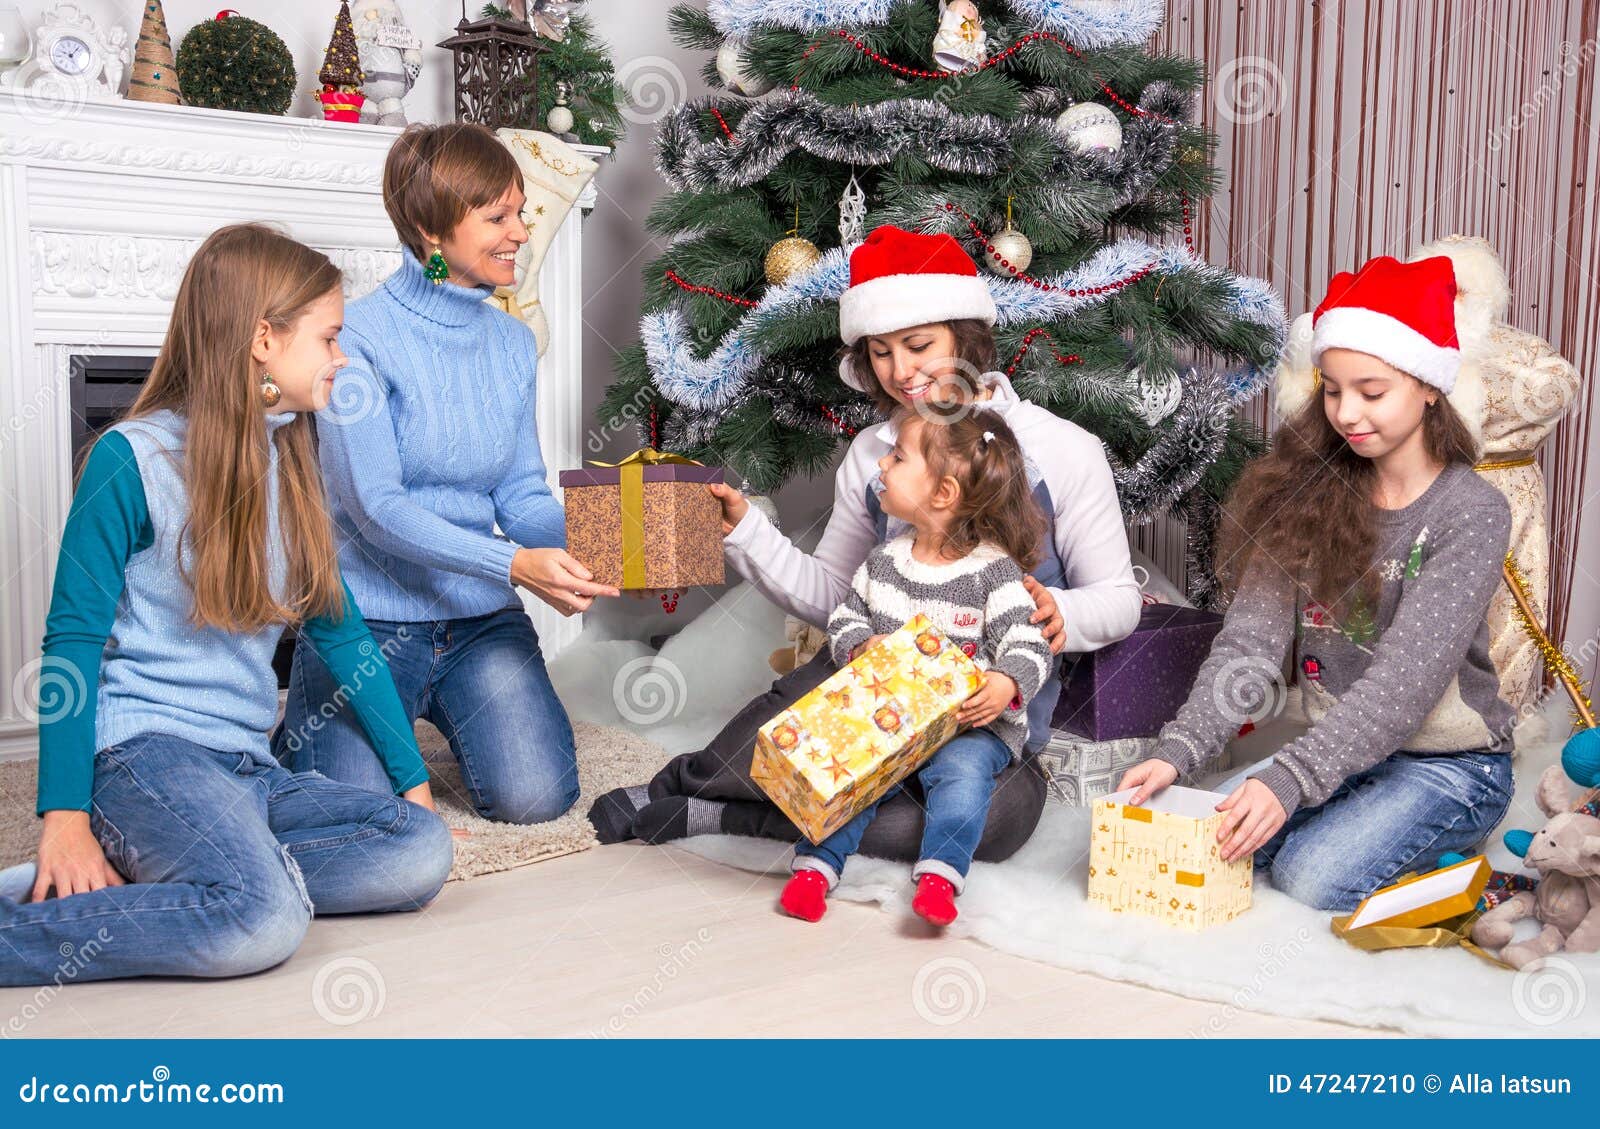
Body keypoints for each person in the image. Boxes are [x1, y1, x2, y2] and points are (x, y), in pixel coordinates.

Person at [590, 224, 1142, 862]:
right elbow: (832, 595)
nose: (901, 372)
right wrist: (742, 530)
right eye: (880, 352)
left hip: (980, 723)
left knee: (993, 822)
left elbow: (1119, 600)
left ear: (966, 337)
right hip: (866, 694)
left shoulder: (1064, 451)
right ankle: (686, 786)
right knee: (783, 722)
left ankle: (726, 816)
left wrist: (1060, 614)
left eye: (918, 345)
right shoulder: (874, 455)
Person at [0, 225, 452, 986]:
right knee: (262, 918)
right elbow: (71, 645)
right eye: (331, 338)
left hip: (247, 766)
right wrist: (64, 816)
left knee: (420, 849)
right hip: (144, 755)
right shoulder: (130, 460)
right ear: (263, 339)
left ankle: (177, 872)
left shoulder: (292, 457)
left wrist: (413, 784)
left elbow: (340, 634)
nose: (343, 359)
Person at [1117, 254, 1516, 911]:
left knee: (1311, 877)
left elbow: (1403, 685)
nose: (1347, 413)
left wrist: (1291, 779)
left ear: (1428, 387)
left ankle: (1464, 876)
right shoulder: (1305, 489)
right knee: (1199, 840)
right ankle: (1358, 816)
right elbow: (1249, 643)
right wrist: (1180, 749)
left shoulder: (1470, 511)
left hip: (1449, 763)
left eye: (1371, 390)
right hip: (1343, 752)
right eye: (1332, 390)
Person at [275, 123, 617, 824]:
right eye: (497, 216)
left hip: (480, 617)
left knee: (536, 796)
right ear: (432, 231)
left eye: (520, 211)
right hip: (369, 619)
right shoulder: (357, 340)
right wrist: (516, 562)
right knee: (355, 813)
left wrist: (607, 537)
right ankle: (302, 726)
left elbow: (519, 493)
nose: (521, 232)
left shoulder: (512, 342)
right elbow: (376, 507)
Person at [777, 411, 1053, 926]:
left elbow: (1030, 642)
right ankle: (815, 869)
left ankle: (940, 877)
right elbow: (844, 620)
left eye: (898, 457)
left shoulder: (993, 572)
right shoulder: (884, 563)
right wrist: (861, 647)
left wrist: (1006, 683)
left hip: (969, 725)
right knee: (846, 772)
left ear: (944, 493)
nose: (881, 462)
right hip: (891, 721)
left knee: (963, 772)